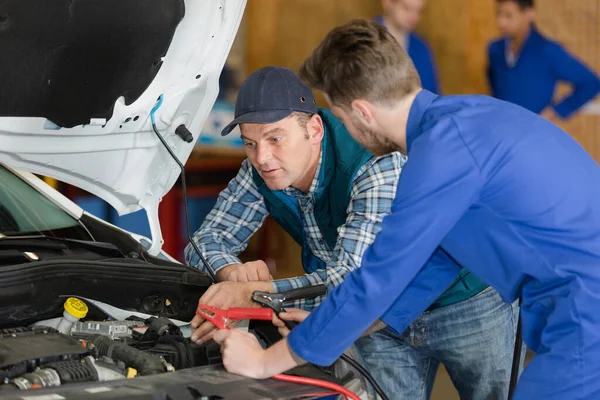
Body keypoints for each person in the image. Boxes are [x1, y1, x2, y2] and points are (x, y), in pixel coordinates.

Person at [212, 19, 600, 400]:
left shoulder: (439, 156)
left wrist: (265, 362)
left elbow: (375, 280)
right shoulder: (467, 120)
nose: (343, 130)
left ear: (362, 112)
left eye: (341, 118)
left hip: (584, 315)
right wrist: (335, 326)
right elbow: (433, 265)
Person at [185, 66, 521, 399]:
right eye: (249, 143)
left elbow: (354, 280)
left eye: (275, 138)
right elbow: (204, 242)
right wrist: (232, 273)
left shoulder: (372, 160)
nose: (262, 157)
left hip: (464, 299)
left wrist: (257, 293)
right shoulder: (260, 168)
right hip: (376, 320)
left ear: (314, 129)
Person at [487, 0, 600, 122]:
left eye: (508, 16)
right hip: (501, 130)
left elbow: (591, 83)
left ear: (529, 14)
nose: (501, 22)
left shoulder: (547, 51)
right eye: (498, 14)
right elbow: (495, 86)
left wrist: (556, 111)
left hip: (533, 133)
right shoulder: (495, 49)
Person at [374, 0, 440, 94]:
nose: (414, 17)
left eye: (419, 11)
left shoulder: (421, 47)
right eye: (407, 8)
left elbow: (432, 95)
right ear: (388, 2)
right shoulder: (362, 41)